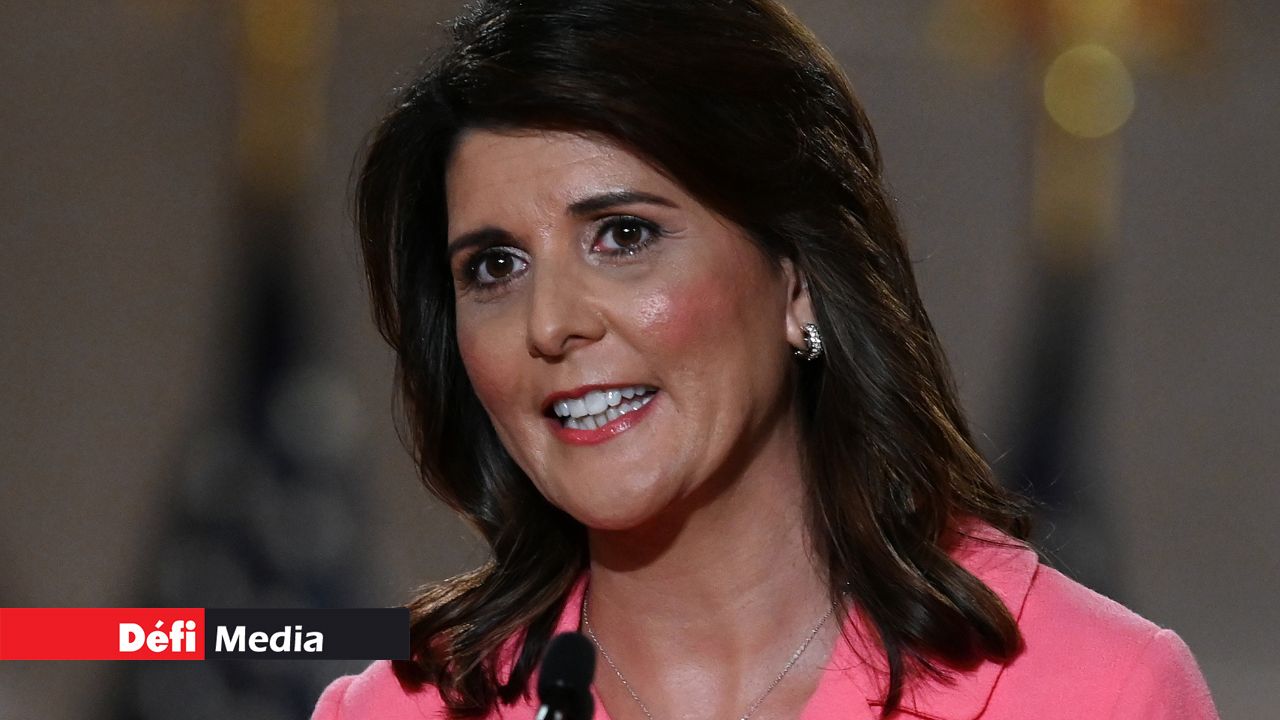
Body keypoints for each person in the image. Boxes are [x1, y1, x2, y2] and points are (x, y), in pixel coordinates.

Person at [313, 1, 1218, 718]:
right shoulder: (396, 708)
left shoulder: (1101, 691)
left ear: (798, 280)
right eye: (495, 267)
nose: (549, 324)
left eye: (623, 236)